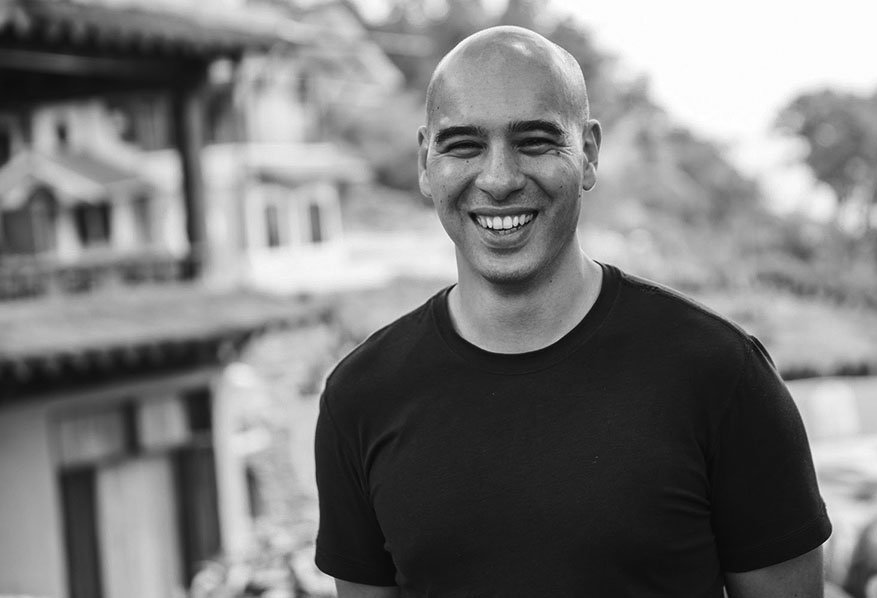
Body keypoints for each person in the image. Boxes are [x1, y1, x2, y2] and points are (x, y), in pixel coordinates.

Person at [314, 25, 831, 597]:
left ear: (587, 153)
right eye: (463, 145)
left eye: (535, 141)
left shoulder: (720, 375)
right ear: (425, 162)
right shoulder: (360, 398)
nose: (499, 179)